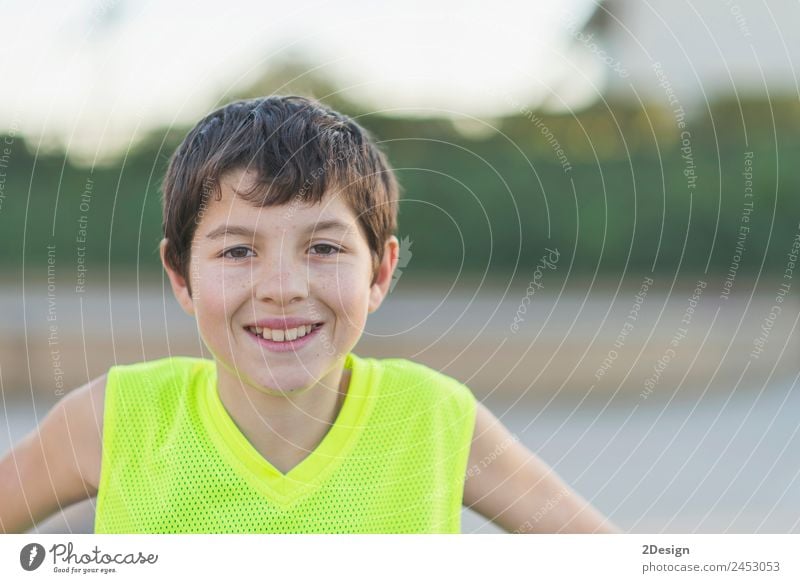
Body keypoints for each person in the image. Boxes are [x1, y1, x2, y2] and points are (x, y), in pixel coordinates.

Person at [0, 96, 617, 534]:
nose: (282, 288)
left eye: (323, 248)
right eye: (238, 251)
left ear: (379, 273)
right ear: (181, 277)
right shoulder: (112, 421)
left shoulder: (435, 419)